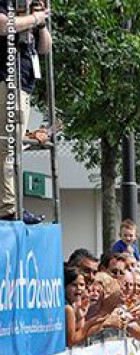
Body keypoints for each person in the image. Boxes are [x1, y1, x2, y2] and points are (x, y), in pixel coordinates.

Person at [0, 0, 51, 219]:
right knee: (8, 147)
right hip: (9, 81)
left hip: (23, 84)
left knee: (14, 147)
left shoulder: (30, 12)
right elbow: (3, 25)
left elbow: (45, 48)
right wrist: (34, 19)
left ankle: (10, 206)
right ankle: (8, 208)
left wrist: (40, 23)